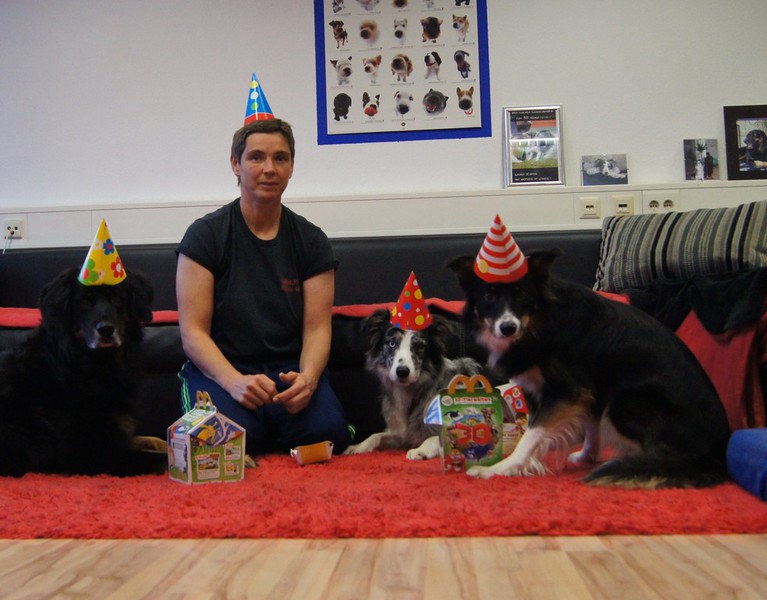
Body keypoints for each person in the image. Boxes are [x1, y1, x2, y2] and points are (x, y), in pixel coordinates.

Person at [176, 118, 352, 455]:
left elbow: (317, 329)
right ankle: (261, 428)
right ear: (236, 164)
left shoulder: (312, 240)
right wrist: (233, 382)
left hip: (288, 372)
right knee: (223, 440)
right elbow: (193, 333)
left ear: (291, 167)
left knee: (329, 434)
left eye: (280, 158)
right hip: (224, 370)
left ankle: (274, 425)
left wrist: (308, 380)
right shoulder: (204, 236)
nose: (269, 169)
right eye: (256, 157)